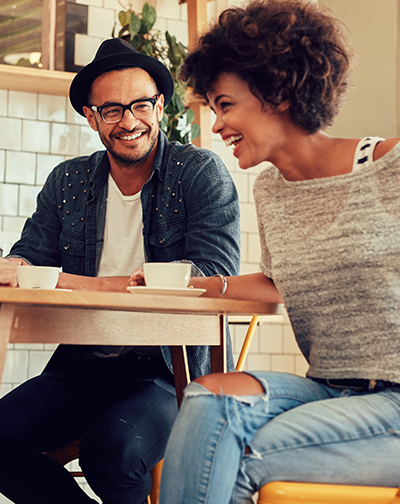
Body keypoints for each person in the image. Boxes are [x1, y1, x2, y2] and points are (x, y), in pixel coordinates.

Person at [156, 1, 400, 503]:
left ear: (279, 90)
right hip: (330, 387)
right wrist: (195, 284)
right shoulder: (271, 189)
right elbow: (278, 280)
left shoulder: (389, 166)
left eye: (225, 104)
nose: (217, 123)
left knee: (241, 453)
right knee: (207, 402)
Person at [0, 38, 240, 504]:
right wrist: (13, 266)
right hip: (86, 364)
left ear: (161, 106)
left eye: (141, 105)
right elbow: (28, 257)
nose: (129, 121)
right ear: (92, 117)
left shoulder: (198, 172)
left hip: (172, 372)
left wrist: (67, 279)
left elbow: (212, 273)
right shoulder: (68, 181)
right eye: (112, 110)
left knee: (110, 451)